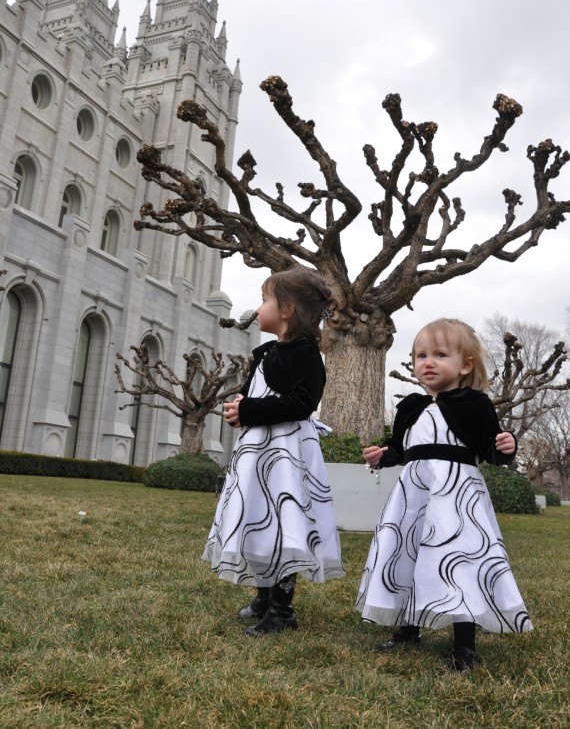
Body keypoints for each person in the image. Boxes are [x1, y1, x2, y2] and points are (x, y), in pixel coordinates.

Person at [356, 318, 533, 671]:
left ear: (465, 364)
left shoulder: (475, 404)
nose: (428, 362)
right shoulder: (410, 407)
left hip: (457, 497)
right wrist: (383, 455)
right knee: (408, 554)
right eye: (420, 355)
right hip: (413, 495)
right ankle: (408, 629)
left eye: (439, 354)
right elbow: (401, 449)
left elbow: (490, 448)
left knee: (458, 560)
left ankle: (464, 644)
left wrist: (506, 447)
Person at [202, 268, 345, 636]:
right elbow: (256, 396)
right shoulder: (266, 352)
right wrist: (241, 408)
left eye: (266, 299)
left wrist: (251, 411)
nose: (259, 306)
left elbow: (301, 403)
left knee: (284, 523)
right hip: (257, 452)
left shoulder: (307, 355)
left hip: (286, 454)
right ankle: (263, 595)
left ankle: (282, 610)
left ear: (288, 309)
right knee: (260, 519)